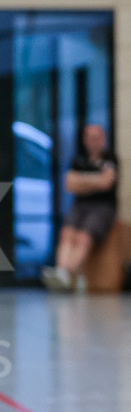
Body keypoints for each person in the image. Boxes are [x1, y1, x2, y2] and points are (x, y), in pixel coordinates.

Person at [42, 124, 120, 292]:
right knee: (67, 234)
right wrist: (96, 179)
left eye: (97, 138)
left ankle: (66, 274)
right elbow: (70, 184)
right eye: (90, 138)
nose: (93, 142)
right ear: (85, 140)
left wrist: (82, 181)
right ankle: (61, 272)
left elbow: (107, 183)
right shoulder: (78, 159)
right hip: (80, 206)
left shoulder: (110, 158)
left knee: (83, 237)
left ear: (103, 139)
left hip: (102, 207)